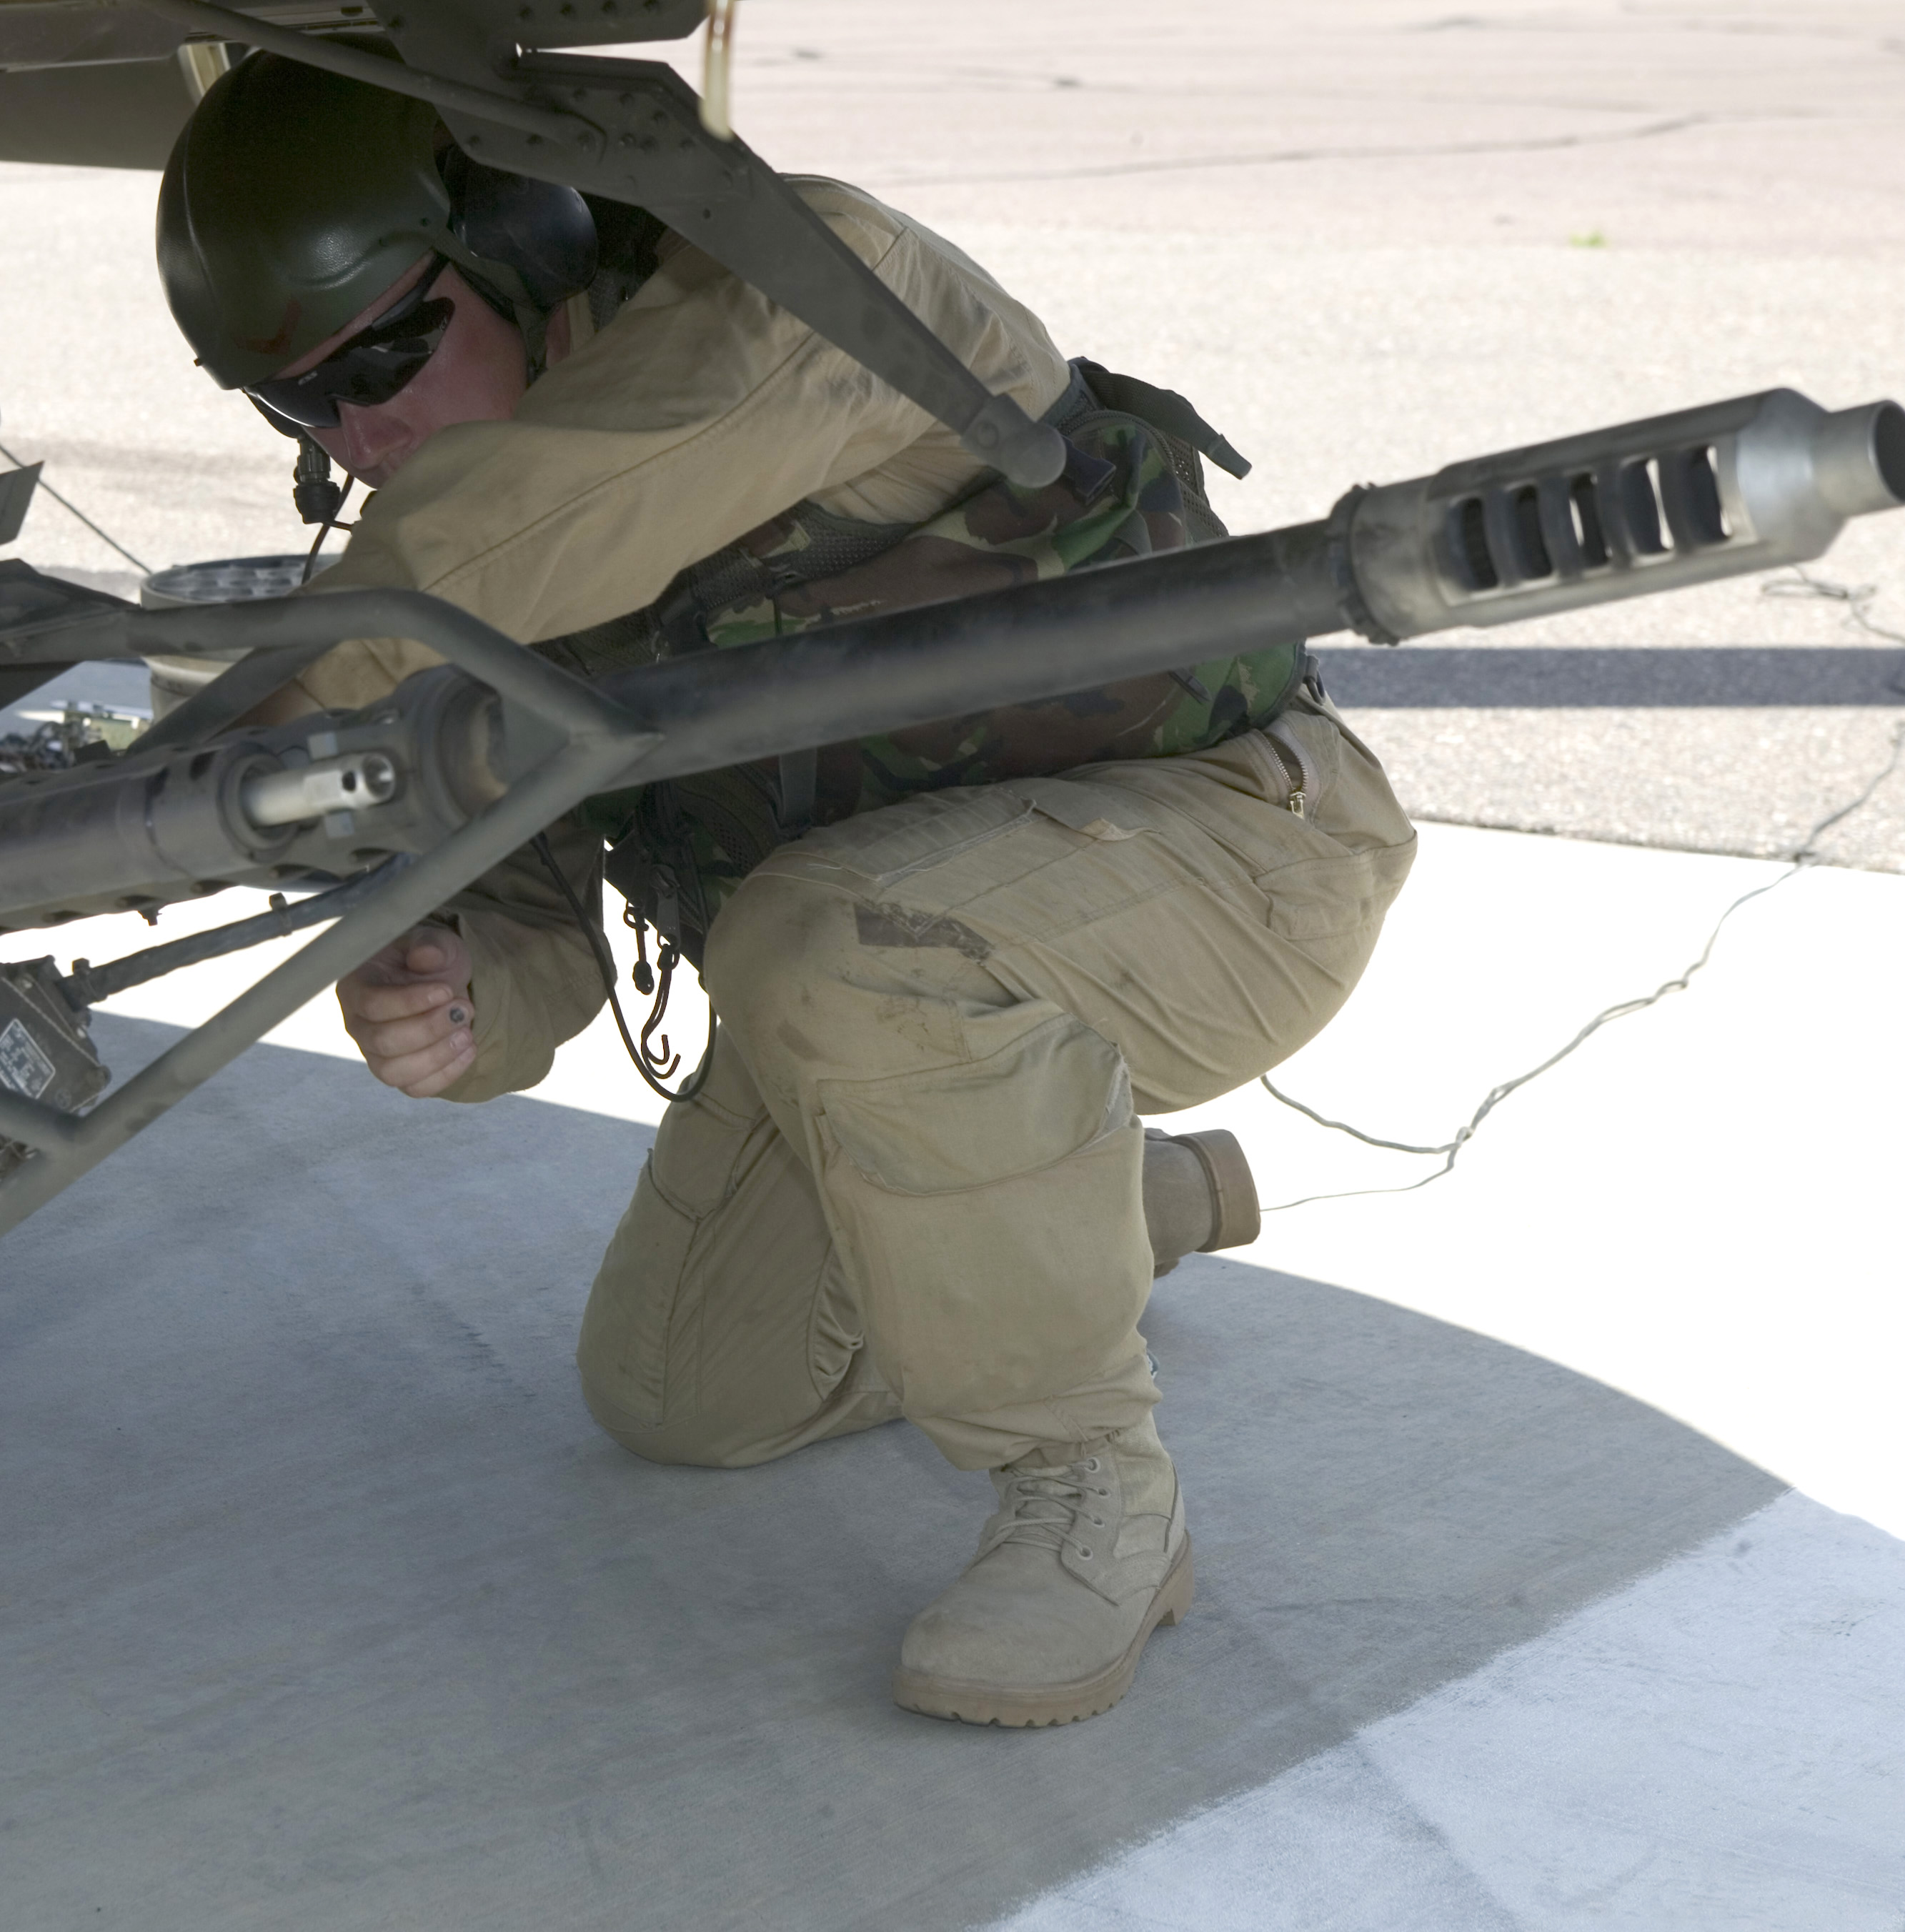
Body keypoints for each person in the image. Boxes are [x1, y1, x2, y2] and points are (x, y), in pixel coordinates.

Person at [155, 50, 1416, 1727]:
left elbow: (473, 562)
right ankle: (1110, 1206)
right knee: (684, 1392)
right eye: (299, 407)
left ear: (527, 236)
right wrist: (458, 991)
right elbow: (525, 899)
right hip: (895, 967)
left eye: (386, 350)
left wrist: (176, 770)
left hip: (1227, 863)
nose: (360, 428)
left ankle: (1094, 1496)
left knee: (833, 949)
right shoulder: (464, 548)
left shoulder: (808, 290)